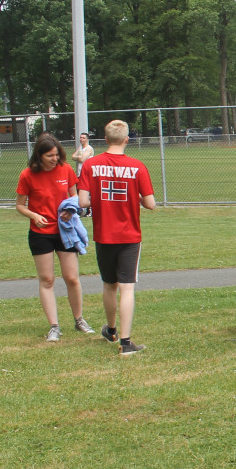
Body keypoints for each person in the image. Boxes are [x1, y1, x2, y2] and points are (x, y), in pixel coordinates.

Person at [77, 119, 157, 356]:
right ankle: (126, 342)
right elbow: (151, 203)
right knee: (127, 287)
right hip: (129, 235)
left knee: (109, 285)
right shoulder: (137, 166)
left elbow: (82, 202)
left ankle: (111, 330)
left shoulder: (91, 165)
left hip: (104, 234)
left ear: (105, 140)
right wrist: (137, 198)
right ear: (126, 140)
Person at [15, 134, 94, 341]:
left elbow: (75, 197)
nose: (54, 159)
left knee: (71, 278)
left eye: (57, 155)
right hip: (40, 234)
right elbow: (19, 205)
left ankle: (79, 320)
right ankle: (54, 326)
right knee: (47, 280)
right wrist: (34, 215)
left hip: (65, 231)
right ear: (39, 156)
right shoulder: (27, 175)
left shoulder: (66, 170)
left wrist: (71, 210)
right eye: (49, 155)